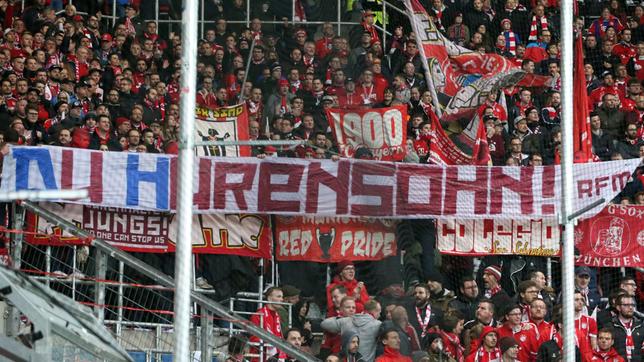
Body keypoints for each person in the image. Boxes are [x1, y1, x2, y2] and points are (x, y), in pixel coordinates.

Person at [250, 287, 284, 358]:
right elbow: (254, 338)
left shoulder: (278, 316)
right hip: (260, 357)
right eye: (278, 296)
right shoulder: (258, 315)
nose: (282, 299)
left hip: (275, 356)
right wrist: (271, 342)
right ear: (269, 298)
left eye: (282, 297)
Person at [610, 294, 643, 361]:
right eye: (626, 305)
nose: (630, 307)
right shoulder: (610, 326)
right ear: (618, 308)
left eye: (632, 305)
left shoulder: (641, 326)